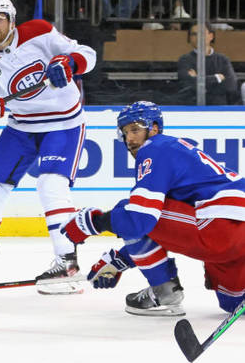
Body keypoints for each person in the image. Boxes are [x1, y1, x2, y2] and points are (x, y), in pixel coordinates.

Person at [0, 0, 96, 294]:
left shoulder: (39, 31)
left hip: (63, 123)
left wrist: (70, 63)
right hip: (22, 128)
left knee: (51, 185)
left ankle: (66, 262)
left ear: (11, 20)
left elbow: (87, 54)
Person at [61, 101, 245, 317]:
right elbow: (164, 228)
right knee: (233, 304)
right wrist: (118, 260)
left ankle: (164, 292)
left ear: (154, 128)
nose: (129, 139)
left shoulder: (154, 148)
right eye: (125, 132)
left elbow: (140, 220)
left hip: (222, 230)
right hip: (233, 236)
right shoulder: (176, 150)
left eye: (135, 130)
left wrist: (92, 223)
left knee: (130, 210)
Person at [177, 23, 239, 105]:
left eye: (202, 33)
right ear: (190, 38)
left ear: (211, 36)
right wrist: (217, 78)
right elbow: (187, 85)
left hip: (219, 110)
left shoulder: (223, 59)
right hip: (193, 109)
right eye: (194, 34)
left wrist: (197, 79)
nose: (198, 37)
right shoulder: (185, 60)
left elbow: (231, 87)